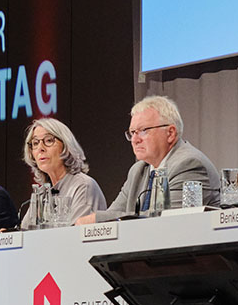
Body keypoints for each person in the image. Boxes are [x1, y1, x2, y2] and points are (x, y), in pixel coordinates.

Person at [78, 95, 221, 223]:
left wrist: (97, 218)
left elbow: (167, 221)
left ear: (170, 133)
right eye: (132, 133)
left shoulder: (189, 164)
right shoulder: (138, 170)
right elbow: (113, 215)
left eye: (143, 131)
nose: (135, 139)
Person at [20, 118, 107, 229]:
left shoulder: (83, 186)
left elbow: (73, 237)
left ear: (66, 146)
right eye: (35, 143)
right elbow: (25, 234)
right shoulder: (41, 193)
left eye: (48, 140)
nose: (40, 148)